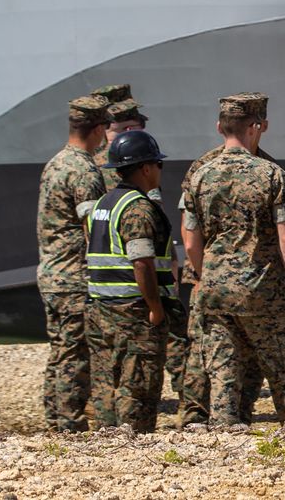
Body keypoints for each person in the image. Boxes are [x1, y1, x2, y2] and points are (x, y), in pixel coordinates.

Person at [181, 93, 285, 426]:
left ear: (219, 127)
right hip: (261, 289)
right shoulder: (272, 176)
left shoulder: (199, 176)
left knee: (225, 371)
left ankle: (226, 438)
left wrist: (204, 275)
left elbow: (190, 239)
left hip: (214, 290)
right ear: (255, 127)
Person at [175, 122, 275, 427]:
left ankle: (240, 413)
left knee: (250, 352)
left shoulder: (266, 166)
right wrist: (206, 274)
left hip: (255, 280)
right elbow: (188, 226)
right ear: (258, 126)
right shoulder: (204, 166)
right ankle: (194, 413)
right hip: (210, 277)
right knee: (203, 348)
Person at [85, 129, 176, 433]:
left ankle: (106, 436)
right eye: (158, 164)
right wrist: (155, 308)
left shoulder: (101, 205)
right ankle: (132, 440)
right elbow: (142, 264)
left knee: (106, 380)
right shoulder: (137, 208)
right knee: (138, 383)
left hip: (101, 308)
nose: (160, 170)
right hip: (133, 310)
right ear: (146, 168)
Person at [35, 95, 113, 431]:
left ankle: (55, 417)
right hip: (74, 278)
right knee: (76, 355)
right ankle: (68, 423)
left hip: (51, 272)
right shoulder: (84, 171)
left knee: (61, 350)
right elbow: (92, 230)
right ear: (97, 129)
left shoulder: (55, 164)